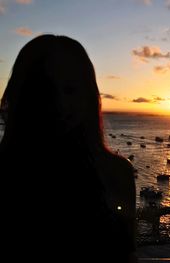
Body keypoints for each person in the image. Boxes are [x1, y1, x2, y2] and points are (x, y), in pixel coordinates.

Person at [0, 35, 136, 261]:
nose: (59, 103)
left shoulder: (117, 173)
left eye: (71, 90)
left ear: (88, 97)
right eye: (45, 89)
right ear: (23, 96)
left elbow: (128, 254)